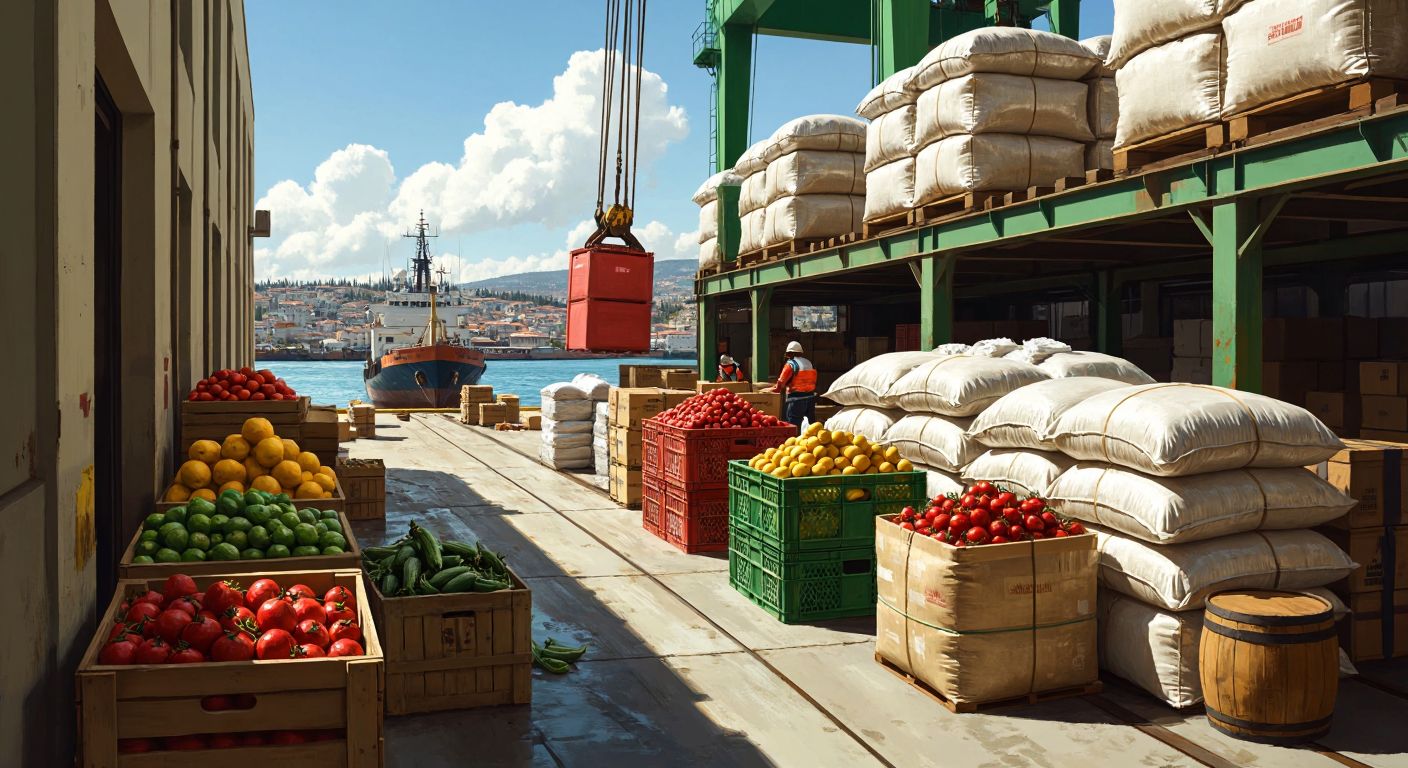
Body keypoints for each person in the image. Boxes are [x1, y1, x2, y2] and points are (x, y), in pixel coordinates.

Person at [767, 341, 816, 431]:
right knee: (812, 426)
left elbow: (781, 383)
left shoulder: (791, 364)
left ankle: (795, 444)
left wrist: (770, 391)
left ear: (790, 353)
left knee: (794, 426)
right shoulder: (808, 362)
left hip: (796, 400)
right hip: (810, 398)